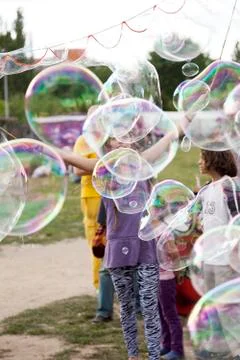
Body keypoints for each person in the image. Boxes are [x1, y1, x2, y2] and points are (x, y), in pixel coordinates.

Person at [73, 135, 101, 290]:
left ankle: (106, 286)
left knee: (106, 241)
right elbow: (78, 170)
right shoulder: (84, 140)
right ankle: (100, 285)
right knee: (98, 241)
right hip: (92, 195)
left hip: (109, 194)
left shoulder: (111, 137)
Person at [91, 199, 115, 323]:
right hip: (112, 227)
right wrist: (102, 226)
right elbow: (107, 196)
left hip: (135, 225)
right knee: (106, 270)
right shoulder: (112, 182)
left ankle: (138, 309)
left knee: (137, 269)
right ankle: (104, 312)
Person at [158, 268, 184, 360]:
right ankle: (166, 345)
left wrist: (177, 274)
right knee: (161, 314)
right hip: (155, 279)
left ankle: (177, 349)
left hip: (165, 280)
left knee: (170, 316)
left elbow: (175, 257)